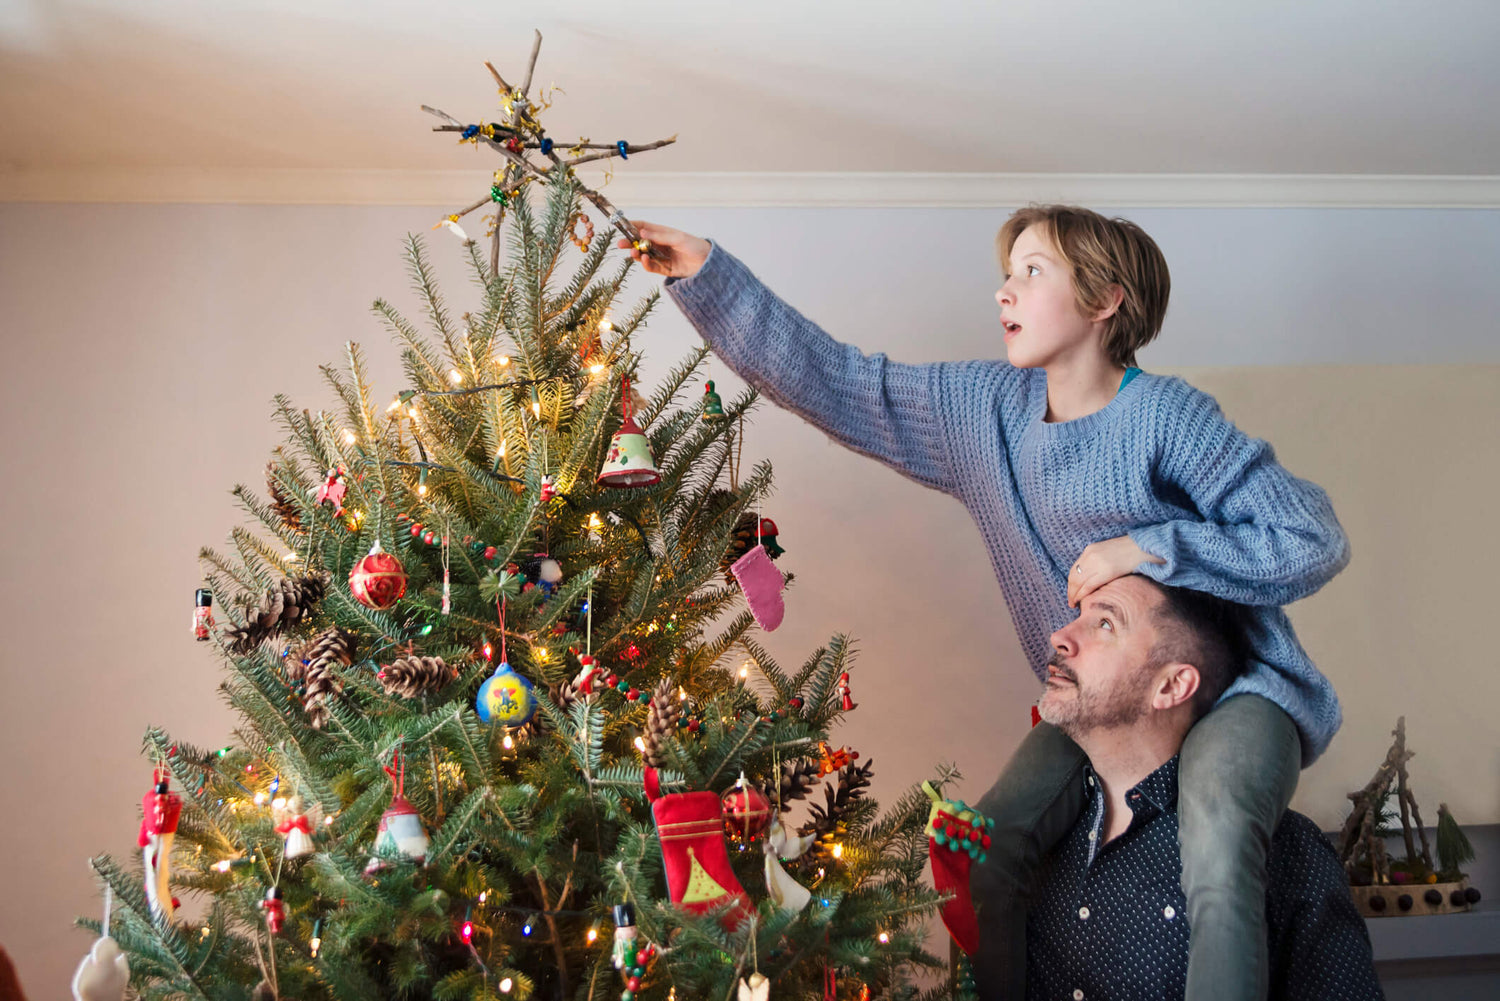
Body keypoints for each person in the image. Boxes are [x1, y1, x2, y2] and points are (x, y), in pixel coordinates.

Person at [621, 207, 1349, 1000]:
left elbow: (1312, 536)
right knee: (988, 850)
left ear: (1107, 299)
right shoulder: (982, 413)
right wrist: (707, 274)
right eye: (1007, 274)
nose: (1005, 290)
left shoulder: (1166, 418)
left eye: (1032, 272)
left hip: (1234, 692)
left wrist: (1147, 549)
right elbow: (840, 381)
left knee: (1215, 834)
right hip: (1099, 700)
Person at [1020, 573, 1381, 1000]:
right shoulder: (1033, 841)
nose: (1060, 636)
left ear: (1172, 686)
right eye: (1078, 616)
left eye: (1105, 624)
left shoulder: (1287, 853)